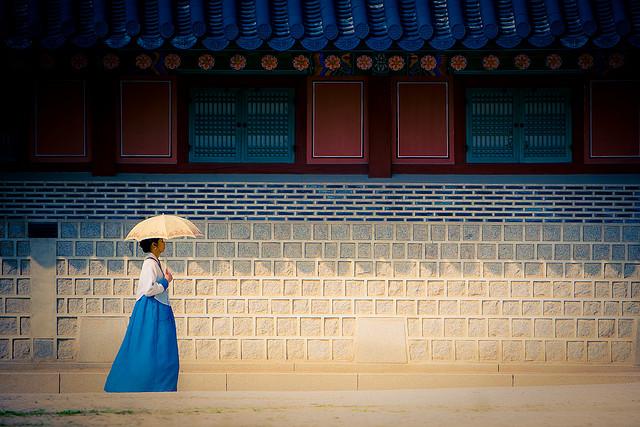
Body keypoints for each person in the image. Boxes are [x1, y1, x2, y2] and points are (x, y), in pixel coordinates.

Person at [104, 237, 179, 392]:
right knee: (151, 350)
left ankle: (159, 386)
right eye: (162, 241)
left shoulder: (155, 262)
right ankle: (147, 386)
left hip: (157, 310)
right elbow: (148, 289)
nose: (165, 243)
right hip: (152, 311)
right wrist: (166, 281)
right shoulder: (149, 263)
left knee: (159, 351)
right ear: (154, 245)